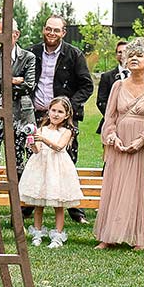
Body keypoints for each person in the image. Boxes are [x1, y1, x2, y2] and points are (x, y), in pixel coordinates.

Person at [95, 40, 144, 250]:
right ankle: (108, 235)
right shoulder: (118, 85)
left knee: (140, 188)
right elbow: (110, 117)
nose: (134, 58)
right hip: (120, 143)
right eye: (131, 55)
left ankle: (140, 236)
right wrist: (113, 137)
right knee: (116, 186)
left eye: (140, 55)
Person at [28, 15, 93, 223]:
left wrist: (67, 109)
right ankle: (29, 205)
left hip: (64, 117)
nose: (52, 33)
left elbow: (87, 85)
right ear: (43, 30)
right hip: (36, 114)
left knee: (67, 160)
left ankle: (74, 209)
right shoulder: (33, 52)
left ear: (63, 33)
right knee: (35, 158)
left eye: (56, 30)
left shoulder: (74, 55)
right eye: (49, 29)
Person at [19, 96, 83, 249]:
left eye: (60, 111)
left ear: (67, 115)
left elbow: (59, 147)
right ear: (48, 111)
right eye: (53, 110)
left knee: (58, 203)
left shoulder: (67, 131)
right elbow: (36, 151)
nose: (56, 114)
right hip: (41, 167)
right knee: (38, 202)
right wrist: (33, 143)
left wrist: (43, 139)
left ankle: (57, 235)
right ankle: (38, 233)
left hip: (57, 168)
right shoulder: (41, 129)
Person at [0, 22, 35, 174]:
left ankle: (20, 192)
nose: (3, 36)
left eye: (6, 32)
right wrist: (12, 80)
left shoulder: (28, 57)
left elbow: (28, 85)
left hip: (21, 112)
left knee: (20, 155)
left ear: (16, 34)